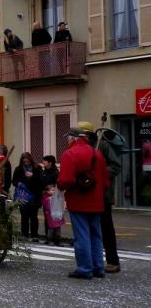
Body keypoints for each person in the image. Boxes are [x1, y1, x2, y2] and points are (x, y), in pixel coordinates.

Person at [57, 128, 109, 280]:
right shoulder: (96, 153)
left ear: (73, 139)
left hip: (79, 200)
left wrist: (59, 187)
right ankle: (99, 267)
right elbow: (105, 181)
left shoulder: (70, 154)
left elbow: (66, 180)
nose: (67, 141)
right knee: (96, 234)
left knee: (82, 235)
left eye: (68, 138)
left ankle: (85, 268)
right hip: (96, 200)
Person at [78, 120, 121, 274]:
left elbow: (115, 166)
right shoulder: (86, 149)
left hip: (103, 193)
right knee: (90, 228)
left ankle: (112, 261)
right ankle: (92, 261)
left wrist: (97, 174)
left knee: (106, 227)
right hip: (88, 193)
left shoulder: (103, 146)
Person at [12, 152, 43, 242]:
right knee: (24, 215)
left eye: (27, 161)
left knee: (33, 216)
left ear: (30, 160)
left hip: (34, 194)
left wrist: (32, 176)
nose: (26, 163)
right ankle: (24, 234)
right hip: (23, 195)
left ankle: (34, 235)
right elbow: (14, 180)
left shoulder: (37, 168)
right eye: (24, 162)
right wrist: (18, 183)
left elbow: (41, 180)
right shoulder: (18, 169)